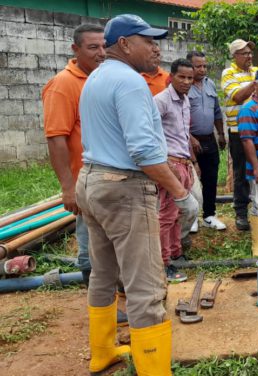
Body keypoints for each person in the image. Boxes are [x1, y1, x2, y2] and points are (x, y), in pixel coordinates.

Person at [76, 14, 198, 375]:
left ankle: (103, 353)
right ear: (125, 44)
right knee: (146, 286)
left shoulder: (96, 77)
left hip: (92, 182)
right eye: (148, 40)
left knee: (103, 273)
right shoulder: (130, 83)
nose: (156, 47)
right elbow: (145, 153)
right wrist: (180, 194)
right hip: (124, 189)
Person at [42, 24, 129, 325]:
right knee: (90, 246)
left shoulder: (100, 78)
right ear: (75, 50)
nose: (101, 53)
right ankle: (101, 308)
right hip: (85, 182)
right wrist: (68, 188)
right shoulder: (64, 84)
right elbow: (56, 138)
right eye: (92, 47)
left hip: (109, 181)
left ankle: (114, 293)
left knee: (109, 242)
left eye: (103, 46)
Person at [154, 58, 196, 283]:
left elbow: (183, 134)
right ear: (171, 77)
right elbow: (148, 132)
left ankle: (176, 253)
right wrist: (163, 162)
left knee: (178, 214)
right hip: (169, 164)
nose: (187, 81)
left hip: (184, 162)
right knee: (167, 215)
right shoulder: (161, 101)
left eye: (190, 78)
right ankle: (163, 264)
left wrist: (191, 161)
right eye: (182, 77)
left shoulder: (185, 101)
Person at [221, 39, 258, 231]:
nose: (249, 56)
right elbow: (238, 96)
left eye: (250, 53)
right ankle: (241, 213)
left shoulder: (255, 71)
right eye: (244, 53)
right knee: (241, 173)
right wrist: (256, 82)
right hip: (238, 131)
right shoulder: (228, 73)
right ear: (235, 56)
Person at [187, 51, 227, 231]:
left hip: (209, 139)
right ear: (190, 66)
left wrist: (221, 134)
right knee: (192, 179)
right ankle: (192, 217)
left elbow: (217, 111)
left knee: (211, 178)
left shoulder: (210, 84)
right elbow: (176, 117)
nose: (202, 69)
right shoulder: (183, 86)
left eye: (204, 66)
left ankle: (209, 215)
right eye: (198, 66)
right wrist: (190, 137)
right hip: (189, 142)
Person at [238, 67, 258, 257]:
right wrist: (257, 168)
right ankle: (257, 245)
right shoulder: (248, 108)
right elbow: (246, 139)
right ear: (256, 84)